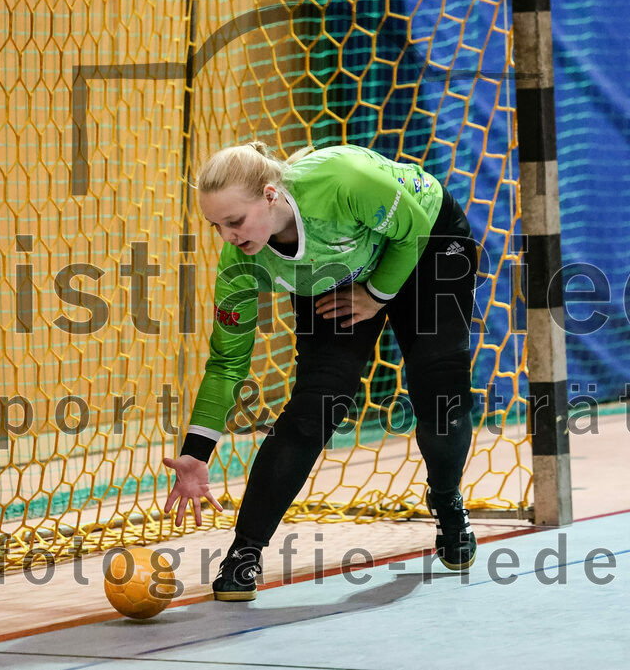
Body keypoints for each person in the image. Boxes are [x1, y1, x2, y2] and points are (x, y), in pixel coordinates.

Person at [163, 141, 478, 601]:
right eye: (216, 226)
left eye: (235, 221)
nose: (228, 236)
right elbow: (227, 360)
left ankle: (447, 501)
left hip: (427, 243)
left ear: (270, 195)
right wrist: (196, 453)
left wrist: (377, 296)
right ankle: (244, 553)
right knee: (317, 402)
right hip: (334, 274)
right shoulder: (241, 262)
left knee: (439, 381)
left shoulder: (343, 180)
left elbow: (411, 231)